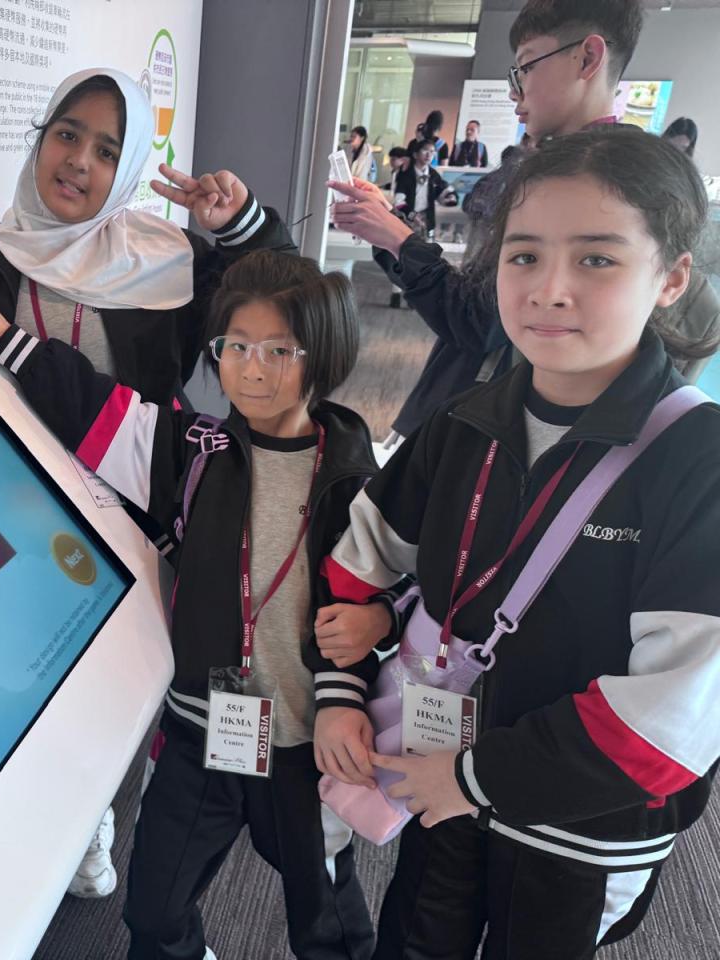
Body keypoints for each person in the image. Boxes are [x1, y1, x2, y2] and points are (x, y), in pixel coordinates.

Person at [0, 67, 297, 900]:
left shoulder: (165, 263)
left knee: (120, 673)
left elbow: (283, 302)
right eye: (67, 135)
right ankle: (61, 810)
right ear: (41, 139)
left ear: (127, 169)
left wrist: (243, 227)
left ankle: (100, 806)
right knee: (28, 669)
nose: (78, 162)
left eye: (107, 150)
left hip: (131, 507)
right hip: (13, 508)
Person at [316, 128, 720, 960]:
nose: (549, 290)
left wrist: (474, 778)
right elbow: (363, 558)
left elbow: (671, 720)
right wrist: (341, 688)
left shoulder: (698, 459)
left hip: (575, 830)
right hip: (438, 774)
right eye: (524, 256)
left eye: (597, 259)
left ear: (672, 278)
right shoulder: (468, 419)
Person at [0, 250, 386, 960]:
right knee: (153, 909)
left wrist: (380, 621)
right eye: (235, 346)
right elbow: (94, 407)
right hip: (202, 732)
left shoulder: (356, 481)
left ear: (322, 356)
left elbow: (405, 590)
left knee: (327, 921)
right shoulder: (194, 451)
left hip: (304, 745)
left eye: (279, 351)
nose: (251, 369)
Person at [329, 0, 719, 442]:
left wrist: (400, 239)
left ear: (588, 58)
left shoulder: (606, 184)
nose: (515, 92)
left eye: (526, 68)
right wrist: (394, 233)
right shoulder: (546, 168)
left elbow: (481, 321)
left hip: (510, 420)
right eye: (526, 257)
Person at [391, 141, 456, 239]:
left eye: (432, 151)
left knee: (425, 244)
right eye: (425, 150)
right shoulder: (405, 175)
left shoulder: (433, 174)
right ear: (415, 155)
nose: (429, 155)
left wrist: (450, 196)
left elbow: (442, 191)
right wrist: (412, 215)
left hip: (426, 219)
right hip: (406, 218)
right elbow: (398, 201)